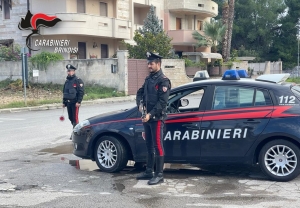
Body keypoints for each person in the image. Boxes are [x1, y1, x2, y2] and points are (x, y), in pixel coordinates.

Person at [136, 52, 171, 185]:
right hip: (147, 118)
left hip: (156, 118)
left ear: (158, 64)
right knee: (149, 145)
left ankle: (159, 174)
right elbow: (140, 93)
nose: (149, 66)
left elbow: (162, 103)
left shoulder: (163, 81)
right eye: (148, 63)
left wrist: (150, 114)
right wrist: (140, 105)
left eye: (151, 63)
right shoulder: (148, 79)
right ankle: (149, 171)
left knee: (158, 146)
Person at [62, 64, 84, 130]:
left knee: (75, 118)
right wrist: (64, 102)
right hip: (68, 103)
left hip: (75, 103)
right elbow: (65, 92)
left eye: (70, 71)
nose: (69, 72)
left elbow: (81, 92)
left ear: (73, 71)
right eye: (68, 71)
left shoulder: (78, 80)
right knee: (70, 117)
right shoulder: (67, 81)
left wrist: (79, 101)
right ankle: (76, 130)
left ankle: (76, 132)